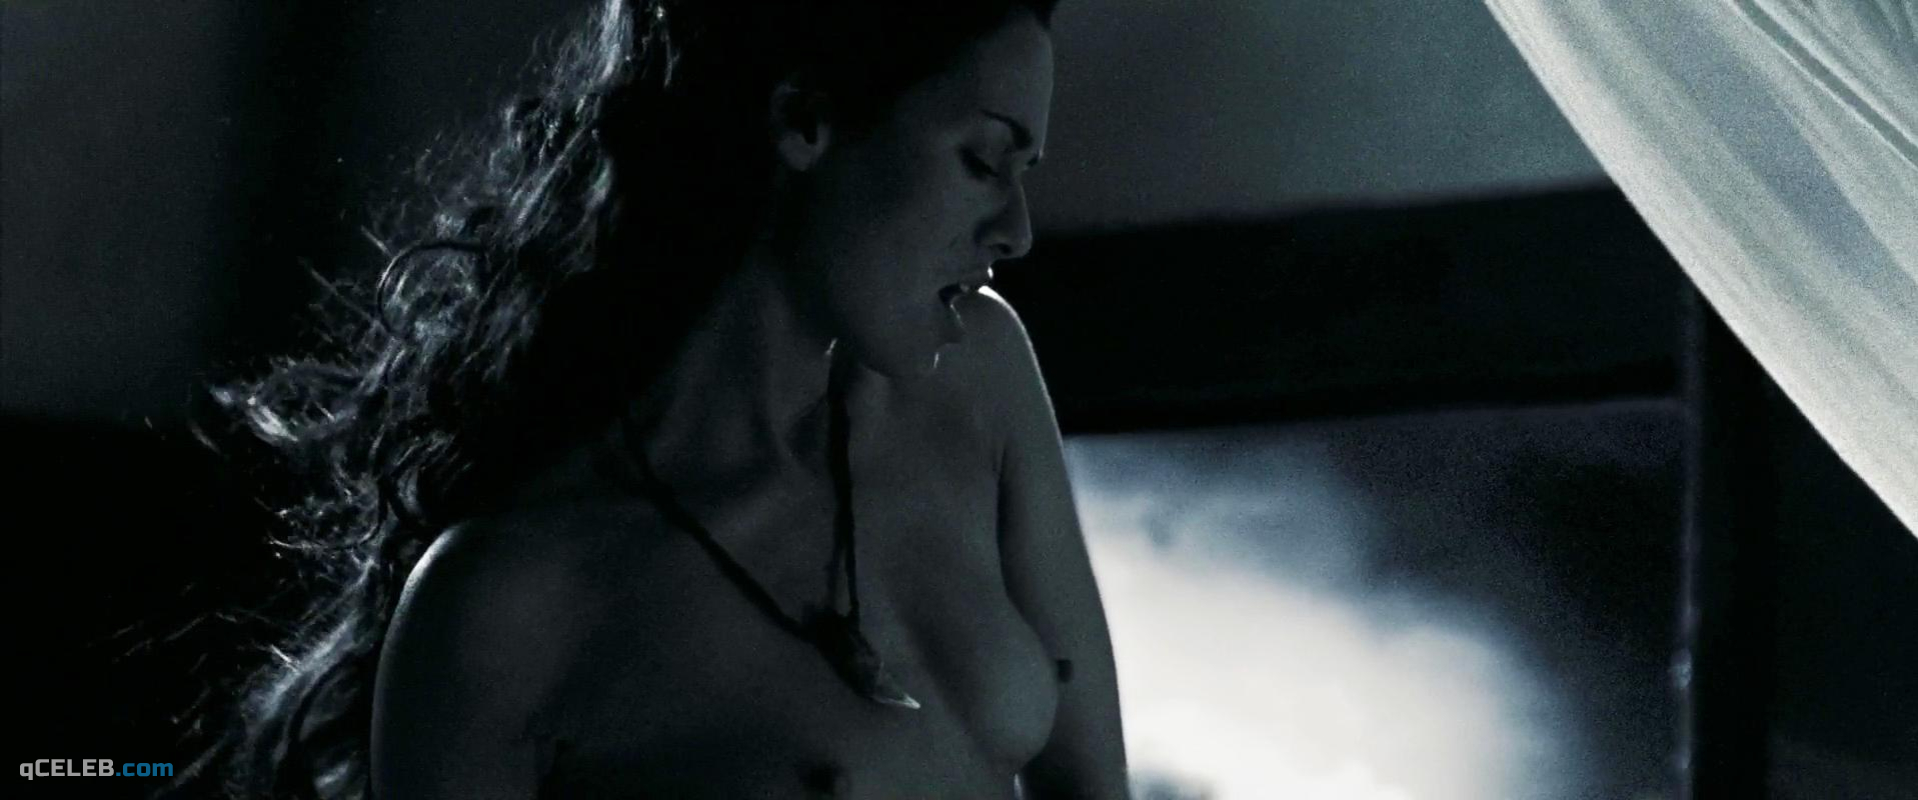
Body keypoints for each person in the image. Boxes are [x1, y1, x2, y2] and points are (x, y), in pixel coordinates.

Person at [199, 0, 1126, 796]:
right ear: (805, 120)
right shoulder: (509, 606)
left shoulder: (979, 380)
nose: (1017, 229)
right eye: (983, 161)